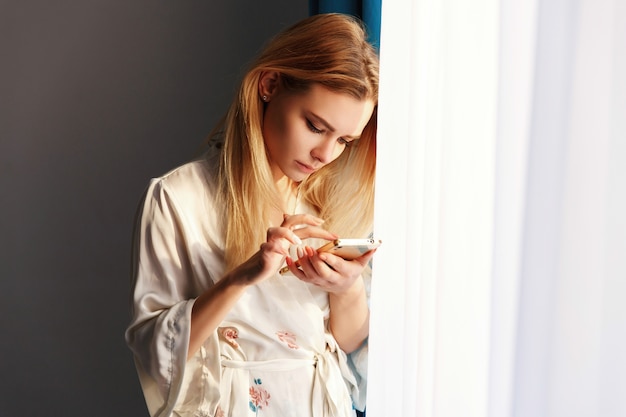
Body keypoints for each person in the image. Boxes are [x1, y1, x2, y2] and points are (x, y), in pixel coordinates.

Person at [125, 13, 379, 417]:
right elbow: (158, 355)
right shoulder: (179, 198)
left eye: (344, 140)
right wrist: (243, 275)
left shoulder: (329, 206)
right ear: (269, 84)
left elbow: (347, 345)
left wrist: (346, 287)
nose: (326, 155)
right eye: (315, 126)